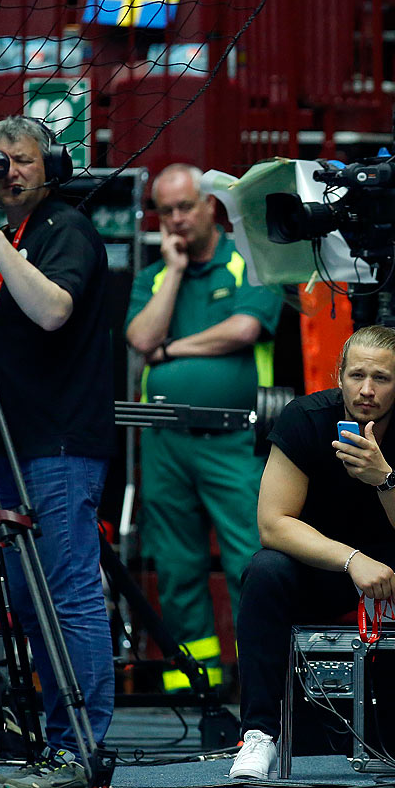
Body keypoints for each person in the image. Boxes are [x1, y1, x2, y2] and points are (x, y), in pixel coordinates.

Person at [0, 115, 116, 788]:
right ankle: (57, 744)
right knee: (33, 599)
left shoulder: (64, 228)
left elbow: (51, 311)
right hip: (16, 446)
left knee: (68, 595)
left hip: (59, 444)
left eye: (21, 159)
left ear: (51, 167)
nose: (8, 171)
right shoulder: (16, 236)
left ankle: (83, 750)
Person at [229, 325, 395, 780]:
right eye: (357, 376)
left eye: (381, 379)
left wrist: (384, 478)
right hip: (323, 575)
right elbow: (273, 524)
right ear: (339, 376)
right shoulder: (304, 419)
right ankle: (260, 735)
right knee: (264, 570)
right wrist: (352, 560)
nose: (367, 390)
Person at [124, 163, 284, 691]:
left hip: (234, 438)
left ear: (210, 206)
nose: (175, 219)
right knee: (176, 568)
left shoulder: (247, 261)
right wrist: (171, 273)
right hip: (165, 441)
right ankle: (197, 688)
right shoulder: (152, 276)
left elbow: (243, 329)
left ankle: (259, 685)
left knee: (248, 563)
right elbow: (141, 339)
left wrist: (174, 349)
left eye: (184, 207)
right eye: (165, 210)